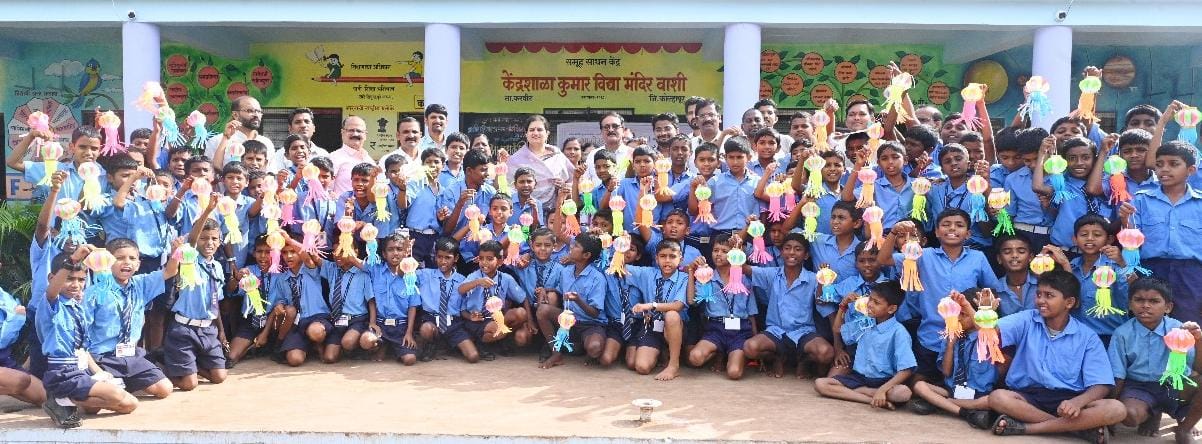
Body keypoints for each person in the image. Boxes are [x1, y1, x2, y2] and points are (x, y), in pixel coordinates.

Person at [984, 272, 1126, 441]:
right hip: (1029, 397)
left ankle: (1029, 428)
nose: (1040, 301)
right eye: (1038, 295)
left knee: (1117, 409)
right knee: (998, 397)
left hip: (1069, 400)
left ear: (1069, 302)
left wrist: (1077, 403)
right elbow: (994, 332)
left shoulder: (1087, 336)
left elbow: (1102, 385)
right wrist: (986, 314)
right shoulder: (1027, 319)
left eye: (1049, 296)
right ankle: (1077, 429)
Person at [876, 211, 1004, 383]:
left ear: (968, 234)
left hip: (964, 336)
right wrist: (893, 232)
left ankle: (948, 397)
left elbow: (991, 290)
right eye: (946, 224)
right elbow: (883, 259)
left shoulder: (978, 258)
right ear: (936, 232)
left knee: (960, 378)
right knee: (919, 382)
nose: (952, 228)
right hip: (930, 335)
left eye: (959, 225)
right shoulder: (923, 255)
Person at [40, 247, 139, 428]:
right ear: (51, 278)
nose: (76, 284)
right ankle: (60, 399)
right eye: (70, 279)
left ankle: (68, 401)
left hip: (81, 370)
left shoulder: (77, 306)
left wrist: (98, 373)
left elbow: (82, 349)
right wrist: (74, 259)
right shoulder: (51, 304)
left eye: (81, 279)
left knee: (130, 404)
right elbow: (52, 290)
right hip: (63, 372)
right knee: (115, 396)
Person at [83, 238, 179, 400]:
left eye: (132, 258)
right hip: (102, 357)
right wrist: (95, 369)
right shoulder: (95, 292)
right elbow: (80, 335)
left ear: (138, 265)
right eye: (119, 258)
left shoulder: (140, 284)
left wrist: (176, 252)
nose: (126, 262)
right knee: (96, 405)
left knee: (165, 389)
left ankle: (120, 385)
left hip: (130, 355)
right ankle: (109, 386)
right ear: (108, 262)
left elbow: (170, 271)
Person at [1109, 277, 1202, 443]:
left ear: (1168, 307)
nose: (1145, 305)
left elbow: (1197, 368)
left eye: (1154, 301)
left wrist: (1198, 340)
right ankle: (1151, 414)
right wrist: (1110, 413)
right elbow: (1118, 375)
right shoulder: (1122, 333)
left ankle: (1184, 428)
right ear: (1130, 304)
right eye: (1139, 300)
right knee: (1129, 415)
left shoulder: (1179, 329)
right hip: (1140, 387)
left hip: (1176, 384)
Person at [1120, 141, 1202, 324]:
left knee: (1187, 326)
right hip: (1150, 270)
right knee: (1147, 324)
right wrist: (1126, 221)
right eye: (1159, 164)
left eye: (1173, 164)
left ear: (1191, 170)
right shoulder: (1142, 200)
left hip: (1191, 274)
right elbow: (1133, 241)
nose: (1164, 169)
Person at [814, 280, 914, 410]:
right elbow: (837, 329)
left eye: (876, 302)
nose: (870, 305)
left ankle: (868, 393)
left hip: (884, 381)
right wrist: (842, 307)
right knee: (820, 384)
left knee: (903, 393)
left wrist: (883, 389)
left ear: (892, 308)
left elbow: (906, 370)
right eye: (870, 299)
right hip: (859, 378)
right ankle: (870, 398)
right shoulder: (866, 322)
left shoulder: (899, 332)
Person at [743, 232, 833, 377]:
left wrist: (824, 279)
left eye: (798, 249)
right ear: (781, 252)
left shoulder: (812, 278)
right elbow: (745, 269)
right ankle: (777, 357)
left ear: (806, 255)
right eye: (787, 248)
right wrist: (735, 250)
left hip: (803, 332)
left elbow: (821, 301)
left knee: (826, 353)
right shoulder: (772, 274)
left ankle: (804, 360)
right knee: (750, 347)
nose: (792, 252)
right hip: (776, 332)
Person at [163, 203, 229, 391]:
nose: (209, 242)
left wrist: (221, 331)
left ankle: (190, 366)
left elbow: (215, 303)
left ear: (219, 241)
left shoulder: (217, 267)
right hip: (184, 329)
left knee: (219, 377)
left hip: (208, 330)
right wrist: (208, 210)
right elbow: (191, 240)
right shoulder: (189, 258)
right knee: (189, 385)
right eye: (204, 238)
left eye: (214, 238)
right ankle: (162, 365)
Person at [908, 289, 996, 429]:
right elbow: (946, 372)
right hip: (953, 390)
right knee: (919, 386)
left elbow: (984, 330)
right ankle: (965, 413)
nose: (959, 319)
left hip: (979, 395)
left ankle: (942, 404)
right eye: (957, 314)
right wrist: (950, 344)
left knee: (992, 400)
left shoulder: (986, 336)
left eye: (963, 314)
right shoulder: (951, 335)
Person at [686, 236, 757, 380]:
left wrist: (754, 339)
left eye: (724, 251)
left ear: (733, 255)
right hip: (715, 329)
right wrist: (690, 272)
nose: (718, 254)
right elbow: (692, 301)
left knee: (734, 373)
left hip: (740, 330)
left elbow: (751, 312)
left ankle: (730, 355)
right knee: (695, 357)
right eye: (715, 250)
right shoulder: (706, 276)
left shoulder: (743, 279)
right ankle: (719, 352)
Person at [538, 233, 607, 369]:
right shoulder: (566, 271)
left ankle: (581, 347)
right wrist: (544, 289)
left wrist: (578, 300)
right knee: (543, 310)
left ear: (586, 255)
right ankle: (556, 352)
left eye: (576, 246)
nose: (571, 247)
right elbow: (558, 289)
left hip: (590, 324)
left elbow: (594, 313)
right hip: (568, 321)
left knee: (594, 348)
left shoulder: (597, 278)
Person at [625, 240, 690, 381]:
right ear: (656, 258)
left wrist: (651, 305)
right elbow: (619, 267)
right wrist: (620, 245)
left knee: (672, 315)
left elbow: (678, 306)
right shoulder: (647, 273)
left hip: (674, 329)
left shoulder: (685, 278)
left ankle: (673, 365)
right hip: (652, 325)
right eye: (663, 256)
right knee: (642, 367)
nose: (667, 261)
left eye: (672, 256)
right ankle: (660, 352)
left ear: (681, 259)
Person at [7, 125, 103, 203]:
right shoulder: (54, 170)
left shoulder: (104, 176)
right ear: (72, 147)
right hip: (57, 227)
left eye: (94, 148)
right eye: (82, 147)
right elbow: (13, 163)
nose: (88, 153)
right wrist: (31, 136)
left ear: (100, 151)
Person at [415, 238, 467, 362]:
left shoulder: (462, 280)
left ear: (456, 258)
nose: (443, 261)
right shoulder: (425, 274)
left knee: (473, 356)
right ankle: (431, 345)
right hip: (431, 318)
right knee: (426, 328)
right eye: (439, 257)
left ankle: (449, 344)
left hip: (454, 322)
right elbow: (405, 273)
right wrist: (407, 254)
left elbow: (464, 306)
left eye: (447, 257)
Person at [506, 115, 573, 209]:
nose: (535, 133)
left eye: (540, 130)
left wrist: (564, 185)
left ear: (547, 133)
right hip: (525, 210)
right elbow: (509, 188)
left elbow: (573, 179)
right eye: (532, 130)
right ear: (526, 134)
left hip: (555, 211)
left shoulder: (557, 155)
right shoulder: (515, 160)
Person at [400, 149, 450, 267]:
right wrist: (402, 189)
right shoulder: (415, 184)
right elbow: (403, 204)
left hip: (434, 239)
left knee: (432, 273)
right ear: (422, 165)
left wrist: (441, 218)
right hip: (415, 237)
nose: (432, 165)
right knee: (412, 271)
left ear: (442, 166)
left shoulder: (443, 190)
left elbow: (443, 219)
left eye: (436, 162)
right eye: (428, 162)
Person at [205, 96, 278, 171]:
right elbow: (211, 172)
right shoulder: (217, 141)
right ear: (235, 115)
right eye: (250, 111)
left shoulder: (266, 142)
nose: (256, 115)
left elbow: (271, 173)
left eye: (259, 111)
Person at [328, 116, 374, 196]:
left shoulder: (369, 160)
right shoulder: (333, 158)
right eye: (351, 130)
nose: (355, 134)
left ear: (365, 135)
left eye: (359, 131)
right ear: (342, 133)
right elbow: (326, 190)